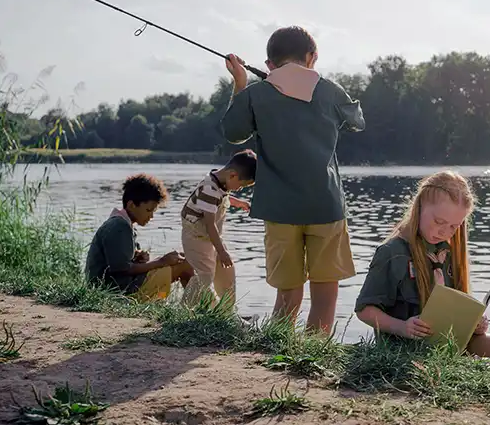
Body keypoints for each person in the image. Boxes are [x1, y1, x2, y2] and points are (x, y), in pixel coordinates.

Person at [220, 25, 365, 334]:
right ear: (312, 57)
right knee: (325, 290)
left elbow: (233, 133)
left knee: (287, 291)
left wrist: (242, 84)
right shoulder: (331, 89)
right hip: (325, 205)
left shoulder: (256, 94)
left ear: (270, 64)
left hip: (279, 208)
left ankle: (281, 347)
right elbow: (356, 122)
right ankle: (314, 351)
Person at [354, 171, 490, 373]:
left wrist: (473, 322)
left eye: (454, 226)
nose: (445, 232)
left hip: (450, 343)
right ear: (419, 207)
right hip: (407, 349)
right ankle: (468, 368)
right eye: (439, 222)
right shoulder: (392, 253)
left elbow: (454, 305)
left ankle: (468, 363)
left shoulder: (447, 251)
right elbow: (364, 311)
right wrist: (402, 327)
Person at [85, 173, 192, 301]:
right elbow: (122, 269)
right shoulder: (119, 226)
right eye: (148, 210)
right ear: (131, 205)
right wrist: (161, 261)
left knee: (182, 257)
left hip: (119, 287)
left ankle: (164, 300)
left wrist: (136, 257)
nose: (151, 216)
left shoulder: (122, 223)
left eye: (153, 211)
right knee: (184, 264)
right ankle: (202, 309)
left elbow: (117, 262)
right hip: (117, 294)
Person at [181, 149, 256, 309]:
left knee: (227, 273)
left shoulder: (220, 183)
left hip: (211, 238)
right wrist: (221, 251)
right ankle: (184, 308)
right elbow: (209, 224)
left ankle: (226, 312)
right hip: (196, 238)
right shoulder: (209, 189)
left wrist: (239, 202)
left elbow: (223, 197)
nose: (239, 189)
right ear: (232, 175)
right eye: (241, 185)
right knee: (205, 275)